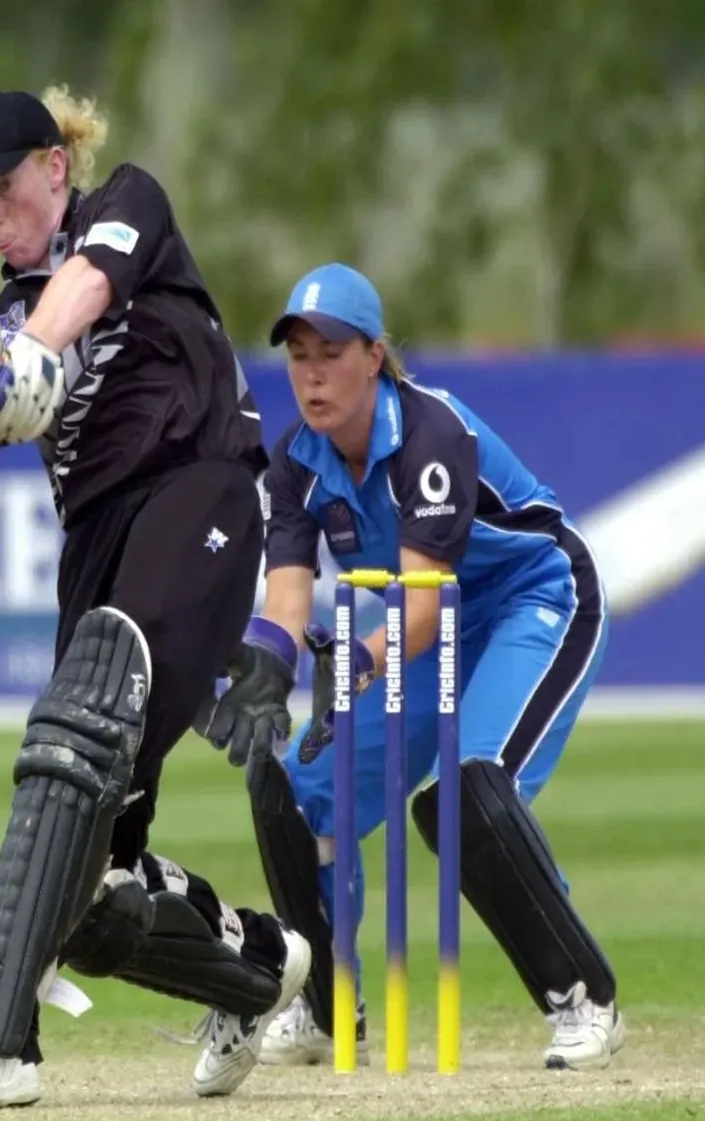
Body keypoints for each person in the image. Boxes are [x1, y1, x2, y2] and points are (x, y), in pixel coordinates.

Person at [0, 85, 310, 1110]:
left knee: (77, 732)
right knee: (81, 881)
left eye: (4, 189)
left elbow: (87, 282)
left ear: (55, 169)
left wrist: (37, 347)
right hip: (99, 546)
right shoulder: (0, 319)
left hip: (200, 494)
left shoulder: (128, 203)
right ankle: (256, 969)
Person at [197, 262, 627, 1072]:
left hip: (531, 602)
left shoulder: (429, 433)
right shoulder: (293, 463)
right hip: (428, 630)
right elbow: (288, 602)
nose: (313, 374)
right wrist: (258, 664)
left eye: (331, 352)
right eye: (298, 355)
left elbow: (423, 608)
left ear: (374, 356)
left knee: (470, 793)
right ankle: (329, 1007)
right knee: (291, 786)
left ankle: (583, 997)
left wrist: (354, 660)